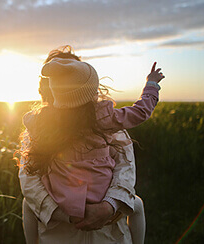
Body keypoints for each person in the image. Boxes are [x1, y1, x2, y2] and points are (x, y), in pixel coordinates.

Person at [19, 46, 164, 243]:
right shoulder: (105, 119)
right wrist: (151, 86)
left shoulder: (41, 124)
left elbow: (125, 167)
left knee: (28, 205)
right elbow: (30, 181)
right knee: (137, 205)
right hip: (60, 230)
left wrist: (108, 206)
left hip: (107, 230)